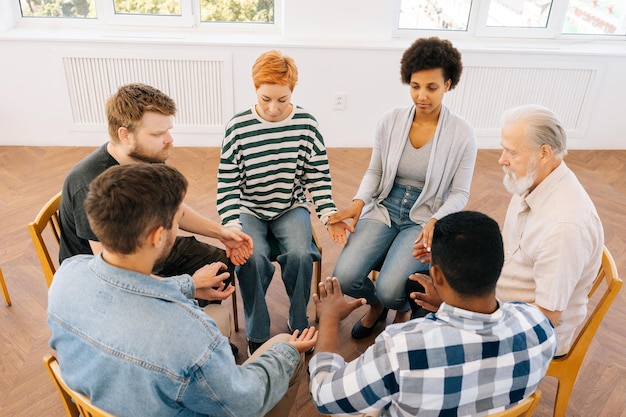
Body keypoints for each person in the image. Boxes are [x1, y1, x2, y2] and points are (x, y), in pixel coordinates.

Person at [48, 163, 317, 417]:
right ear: (157, 236)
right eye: (177, 221)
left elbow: (125, 288)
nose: (179, 228)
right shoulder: (189, 334)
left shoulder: (66, 276)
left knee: (218, 315)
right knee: (283, 347)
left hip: (105, 402)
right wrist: (288, 352)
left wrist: (189, 285)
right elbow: (247, 400)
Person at [309, 211, 557, 416]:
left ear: (436, 276)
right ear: (499, 265)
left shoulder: (401, 349)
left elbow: (324, 396)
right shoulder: (538, 326)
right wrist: (450, 303)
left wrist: (329, 318)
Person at [412, 104, 604, 357]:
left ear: (544, 153)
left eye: (511, 152)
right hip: (494, 302)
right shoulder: (532, 180)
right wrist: (453, 256)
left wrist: (458, 308)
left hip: (524, 334)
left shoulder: (565, 228)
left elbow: (546, 318)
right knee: (415, 285)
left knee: (421, 347)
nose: (502, 159)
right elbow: (511, 252)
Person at [327, 37, 477, 339]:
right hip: (384, 206)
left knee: (392, 288)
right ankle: (377, 307)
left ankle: (398, 307)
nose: (422, 95)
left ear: (448, 84)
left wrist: (436, 219)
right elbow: (376, 170)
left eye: (432, 87)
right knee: (343, 277)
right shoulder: (390, 122)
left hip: (425, 216)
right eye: (415, 86)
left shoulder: (463, 134)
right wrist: (359, 202)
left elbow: (460, 193)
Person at [58, 83, 253, 313]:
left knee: (219, 267)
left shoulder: (146, 156)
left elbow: (173, 209)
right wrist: (189, 286)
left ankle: (199, 327)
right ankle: (187, 331)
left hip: (144, 248)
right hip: (103, 284)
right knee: (183, 300)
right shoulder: (89, 186)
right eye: (158, 134)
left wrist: (221, 233)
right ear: (125, 135)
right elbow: (114, 274)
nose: (169, 139)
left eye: (168, 130)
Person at [217, 50, 349, 355]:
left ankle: (297, 316)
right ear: (255, 90)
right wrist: (231, 227)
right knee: (250, 258)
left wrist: (328, 212)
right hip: (249, 208)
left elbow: (318, 175)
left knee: (302, 254)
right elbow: (227, 183)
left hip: (290, 206)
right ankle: (257, 330)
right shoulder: (238, 127)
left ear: (293, 92)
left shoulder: (306, 124)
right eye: (265, 99)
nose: (274, 108)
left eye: (283, 99)